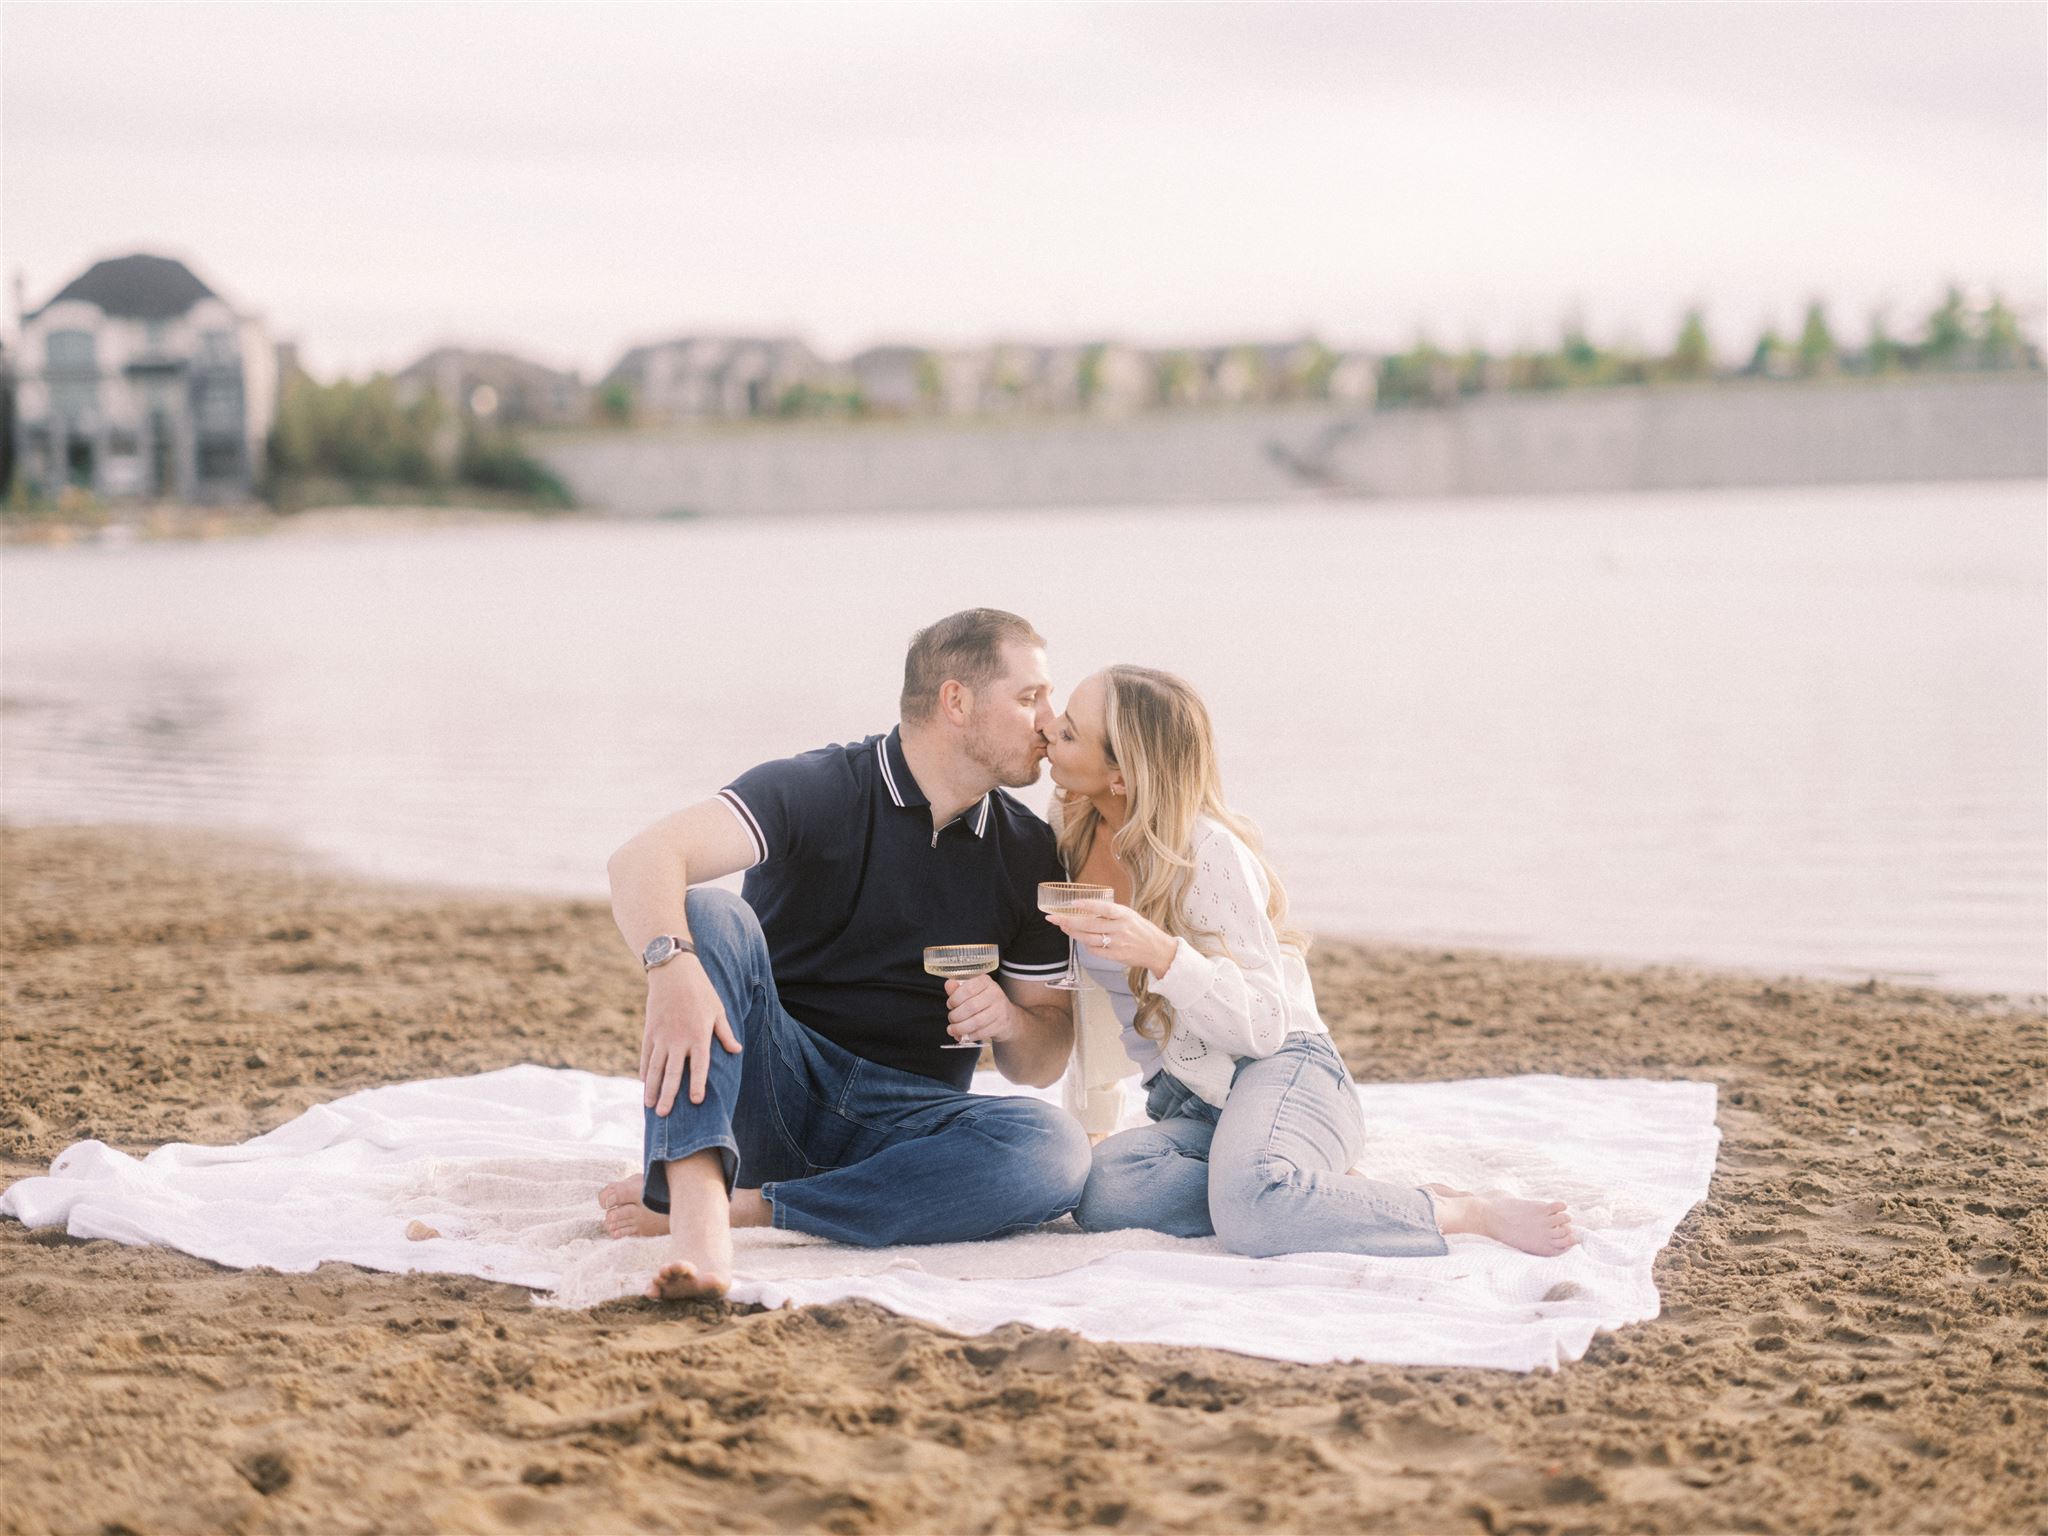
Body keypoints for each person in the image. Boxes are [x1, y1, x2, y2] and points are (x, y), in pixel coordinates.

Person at [599, 609, 1090, 1301]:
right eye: (1028, 696)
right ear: (956, 701)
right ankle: (697, 1204)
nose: (1049, 719)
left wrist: (1009, 1022)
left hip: (905, 1127)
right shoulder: (819, 787)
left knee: (1056, 1150)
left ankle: (760, 1209)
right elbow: (643, 858)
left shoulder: (1030, 852)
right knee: (707, 914)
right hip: (774, 1086)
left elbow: (1039, 1063)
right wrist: (671, 966)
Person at [1040, 665, 1576, 1260]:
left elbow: (1265, 1026)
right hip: (1192, 1097)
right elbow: (1092, 993)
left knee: (1248, 1216)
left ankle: (1457, 1209)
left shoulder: (1210, 854)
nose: (1047, 733)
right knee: (1104, 1191)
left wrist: (1165, 955)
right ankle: (1309, 1192)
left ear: (1121, 773)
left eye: (1067, 732)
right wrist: (1092, 1112)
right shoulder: (1069, 828)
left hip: (1285, 1068)